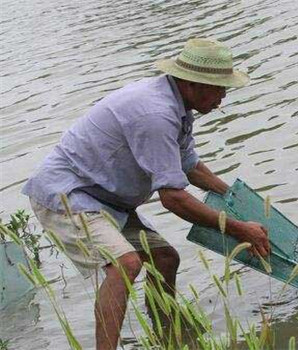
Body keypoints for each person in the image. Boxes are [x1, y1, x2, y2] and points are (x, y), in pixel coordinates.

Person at [21, 38, 270, 350]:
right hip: (69, 196)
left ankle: (169, 337)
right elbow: (173, 197)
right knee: (125, 264)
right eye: (219, 88)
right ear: (193, 83)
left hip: (107, 199)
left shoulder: (177, 107)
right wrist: (236, 227)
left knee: (165, 258)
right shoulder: (155, 114)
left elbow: (190, 167)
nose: (223, 96)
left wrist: (240, 202)